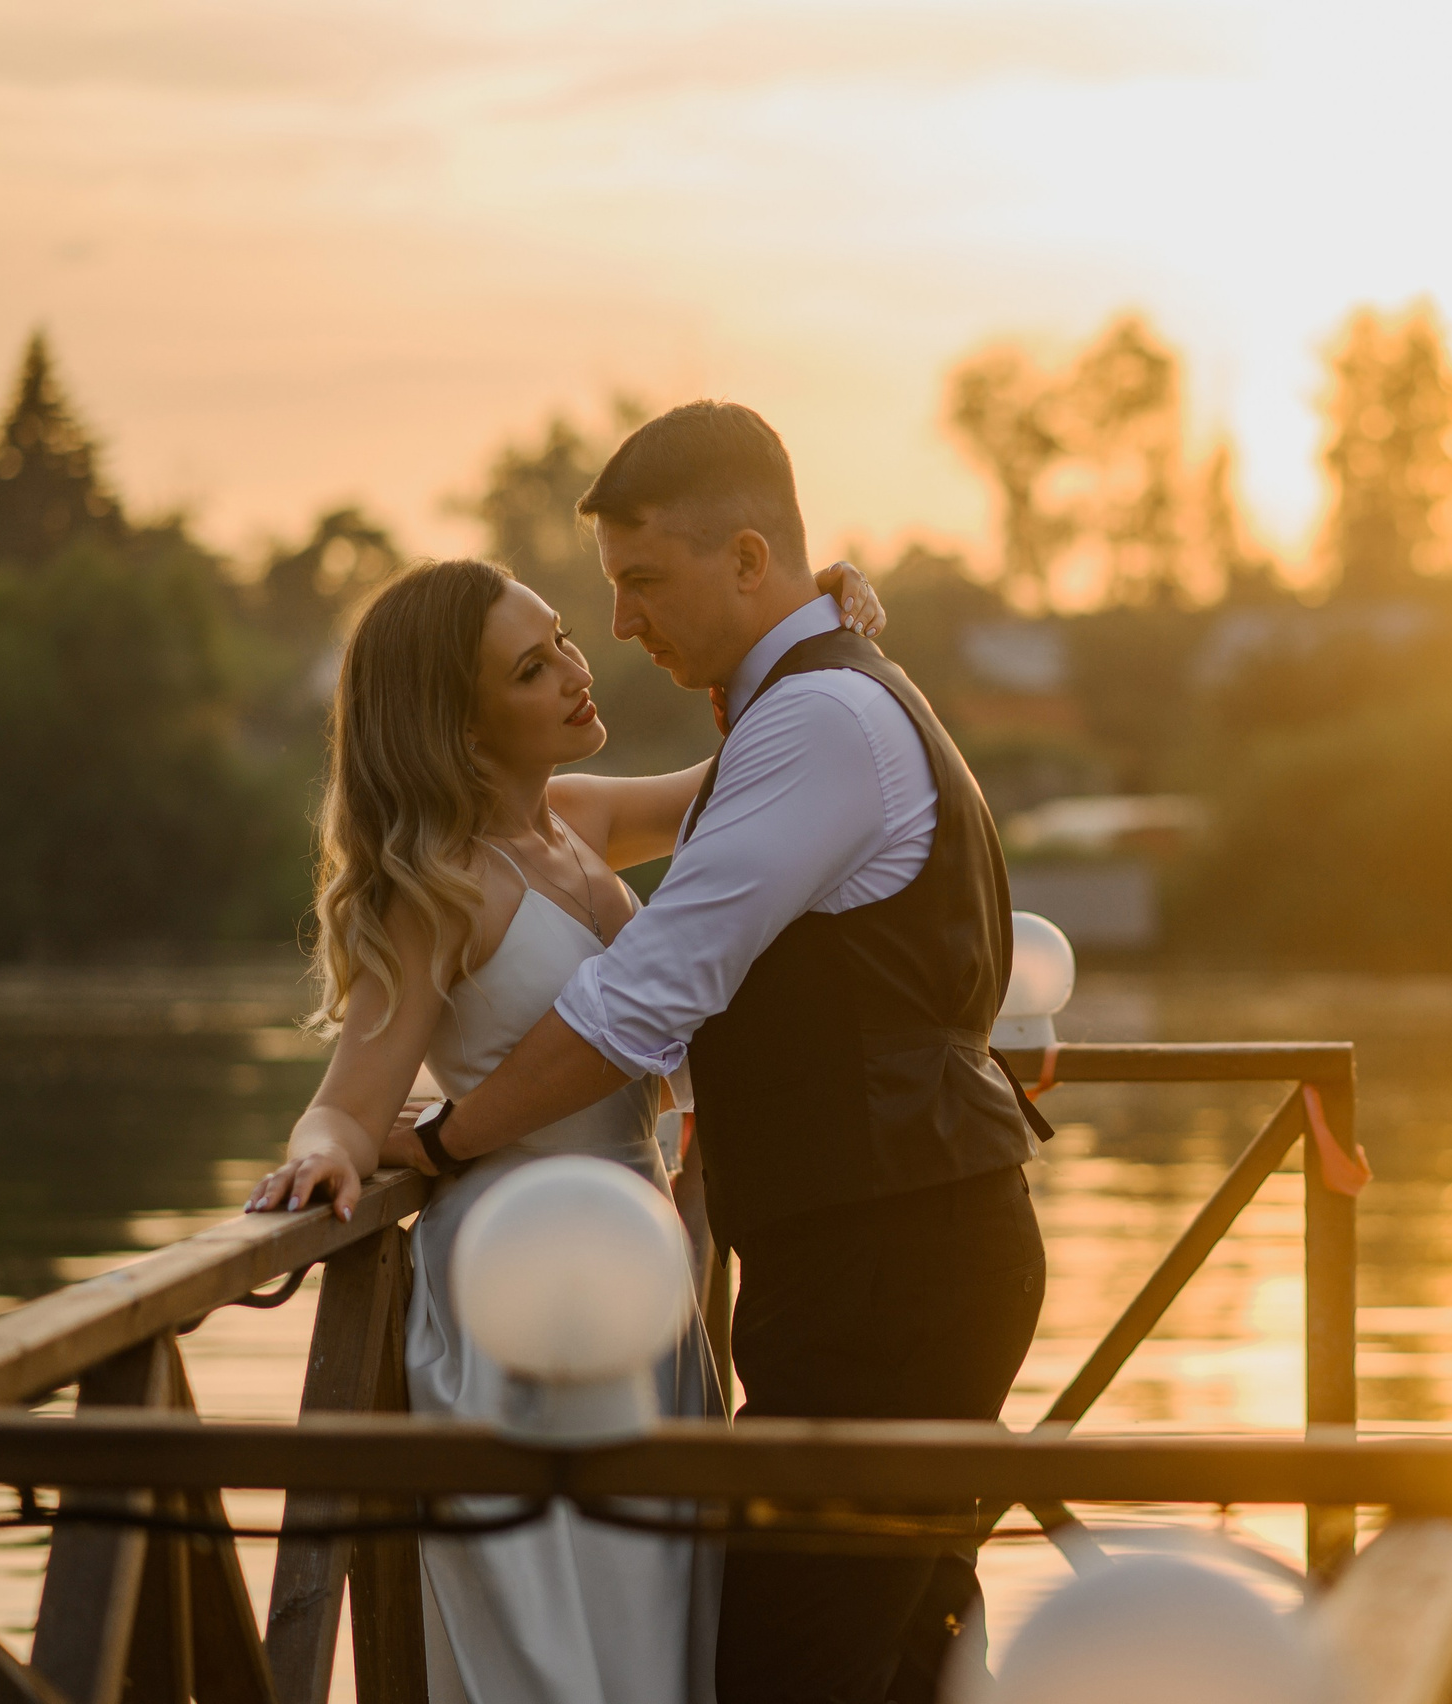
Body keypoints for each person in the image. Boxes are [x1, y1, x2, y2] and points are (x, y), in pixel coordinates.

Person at [388, 401, 1052, 1704]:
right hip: (893, 1252)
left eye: (641, 583)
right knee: (897, 1661)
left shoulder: (814, 723)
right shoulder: (815, 703)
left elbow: (640, 1002)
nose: (624, 627)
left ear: (750, 562)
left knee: (791, 1669)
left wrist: (434, 1146)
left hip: (891, 1273)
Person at [245, 550, 886, 1704]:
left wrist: (817, 627)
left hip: (646, 1281)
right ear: (460, 723)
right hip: (520, 1298)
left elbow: (762, 770)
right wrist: (322, 1160)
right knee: (554, 1646)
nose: (577, 674)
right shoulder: (432, 886)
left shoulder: (578, 818)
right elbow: (351, 1096)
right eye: (533, 669)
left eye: (563, 643)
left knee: (655, 1629)